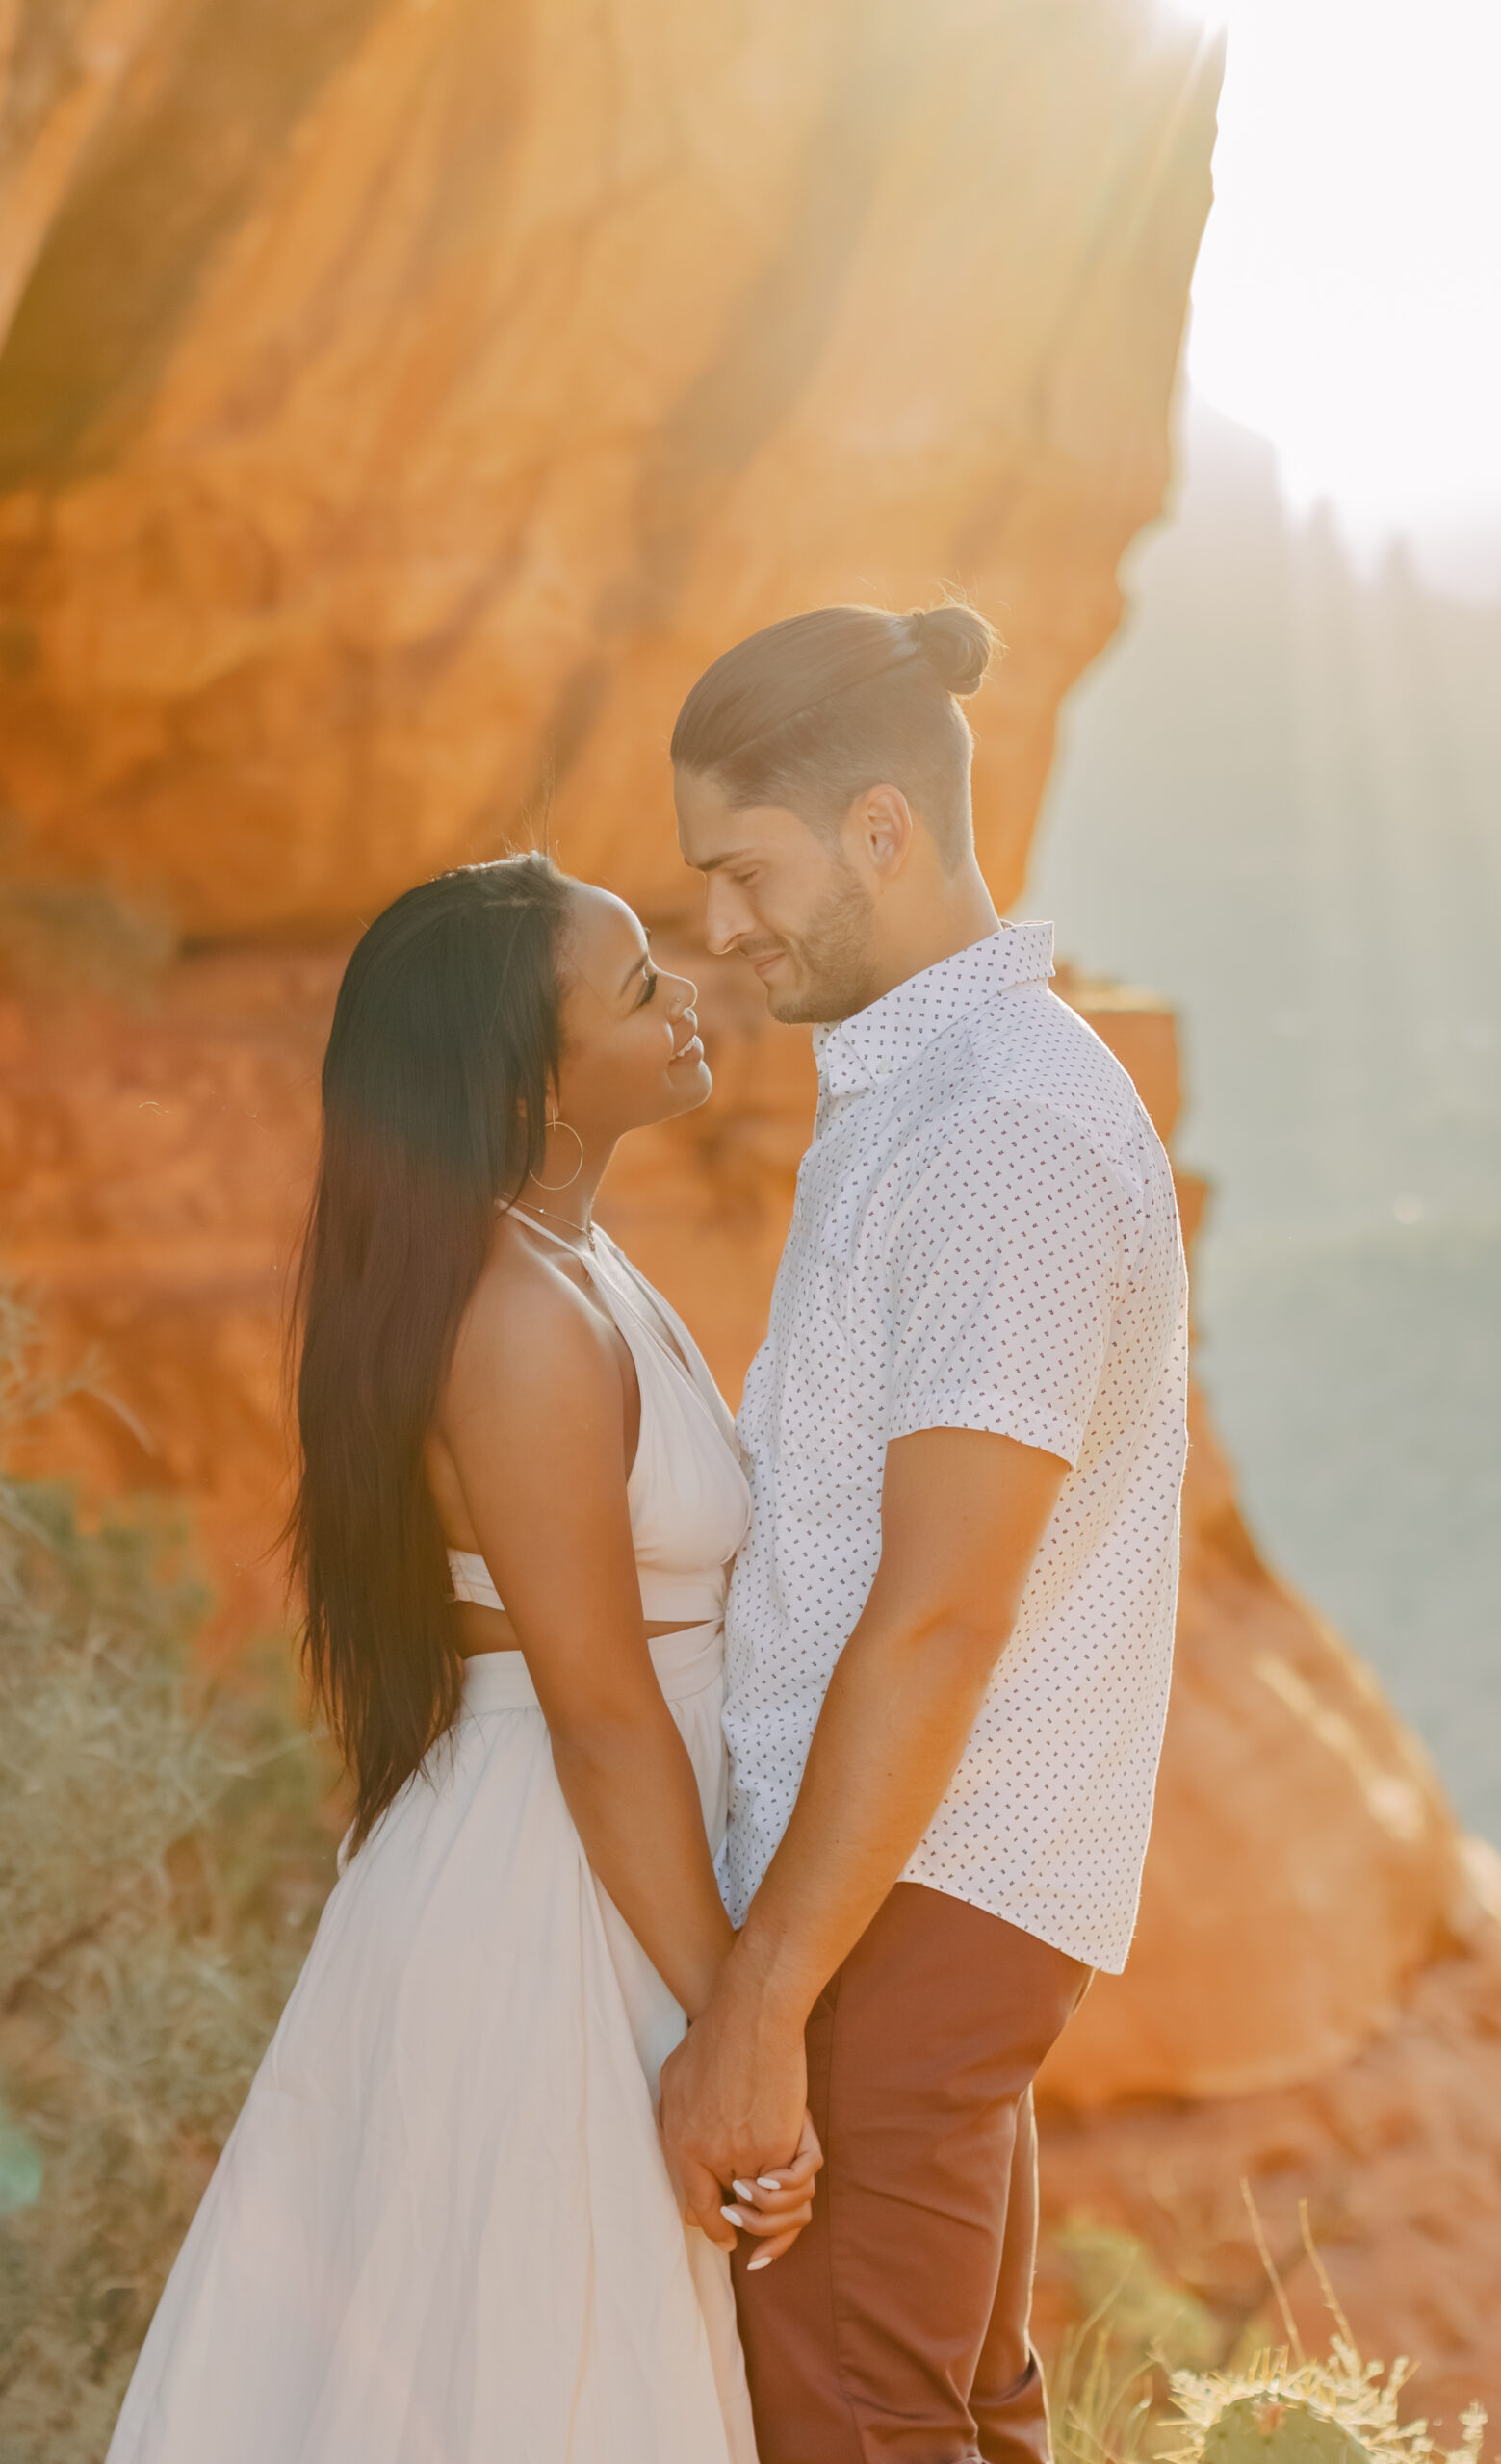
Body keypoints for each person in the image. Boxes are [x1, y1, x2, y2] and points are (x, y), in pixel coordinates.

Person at [106, 853, 819, 2464]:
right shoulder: (514, 1322)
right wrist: (740, 2031)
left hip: (596, 1870)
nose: (686, 993)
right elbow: (603, 1718)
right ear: (529, 1073)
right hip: (557, 1900)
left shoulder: (579, 1264)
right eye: (639, 987)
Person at [662, 603, 1190, 2464]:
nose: (715, 928)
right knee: (958, 2415)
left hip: (907, 1896)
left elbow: (943, 1614)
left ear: (883, 830)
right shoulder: (921, 1100)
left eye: (744, 869)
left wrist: (764, 1999)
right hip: (905, 1891)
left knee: (853, 2425)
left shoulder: (1000, 1135)